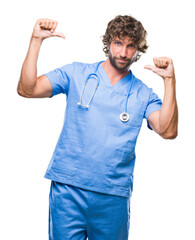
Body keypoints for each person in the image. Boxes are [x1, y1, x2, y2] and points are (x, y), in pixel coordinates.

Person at [17, 15, 178, 240]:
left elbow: (168, 130)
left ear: (138, 49)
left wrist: (169, 81)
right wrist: (36, 40)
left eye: (131, 46)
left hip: (112, 196)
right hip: (68, 190)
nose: (123, 53)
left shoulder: (142, 93)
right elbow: (27, 89)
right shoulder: (76, 73)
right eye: (118, 43)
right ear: (108, 42)